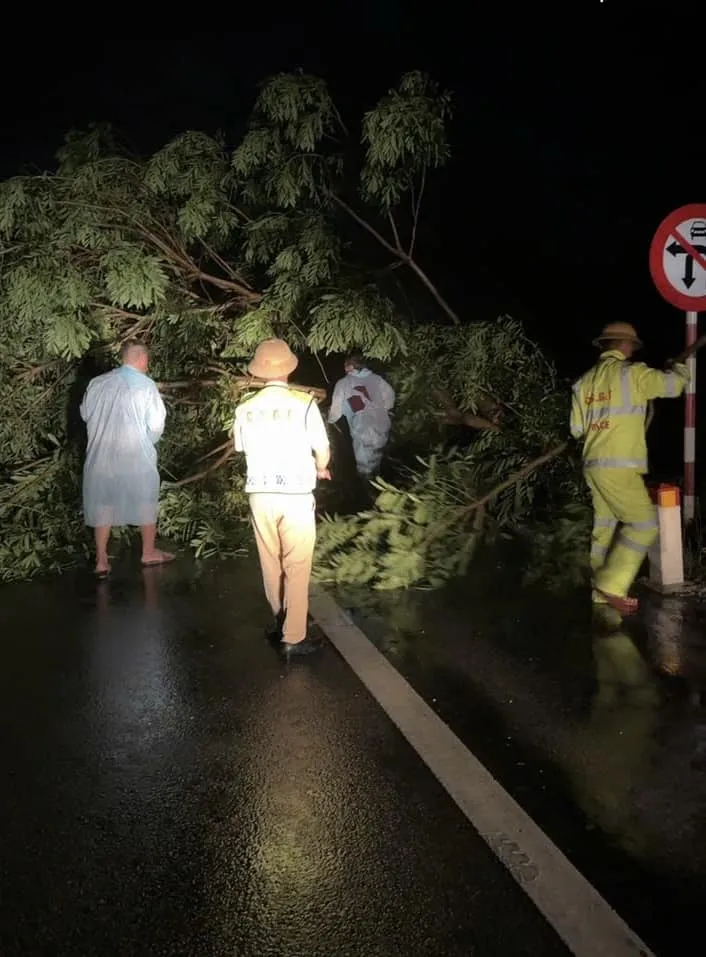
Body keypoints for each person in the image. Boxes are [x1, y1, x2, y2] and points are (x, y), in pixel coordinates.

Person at [570, 322, 689, 616]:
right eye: (631, 346)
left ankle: (599, 591)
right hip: (620, 466)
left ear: (606, 345)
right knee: (644, 523)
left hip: (593, 465)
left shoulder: (583, 383)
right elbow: (673, 387)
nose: (632, 350)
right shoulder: (633, 374)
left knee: (605, 525)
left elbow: (576, 430)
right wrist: (680, 368)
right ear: (625, 346)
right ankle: (612, 584)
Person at [233, 338, 331, 656]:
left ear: (259, 372)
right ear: (289, 368)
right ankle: (294, 637)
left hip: (260, 492)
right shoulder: (304, 403)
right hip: (295, 494)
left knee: (270, 563)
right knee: (297, 564)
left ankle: (280, 620)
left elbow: (241, 448)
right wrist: (321, 467)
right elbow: (322, 448)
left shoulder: (245, 407)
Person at [80, 340, 173, 578]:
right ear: (143, 359)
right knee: (144, 498)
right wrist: (146, 443)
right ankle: (149, 551)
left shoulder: (98, 383)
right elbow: (155, 426)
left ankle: (101, 559)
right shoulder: (146, 386)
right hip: (134, 456)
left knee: (103, 501)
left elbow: (85, 413)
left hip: (101, 456)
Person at [327, 350, 395, 478]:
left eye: (345, 365)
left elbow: (335, 412)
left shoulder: (344, 383)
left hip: (363, 430)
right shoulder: (378, 379)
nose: (344, 369)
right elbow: (390, 400)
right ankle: (378, 484)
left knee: (364, 468)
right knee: (376, 462)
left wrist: (329, 419)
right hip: (382, 428)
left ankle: (367, 490)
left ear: (351, 367)